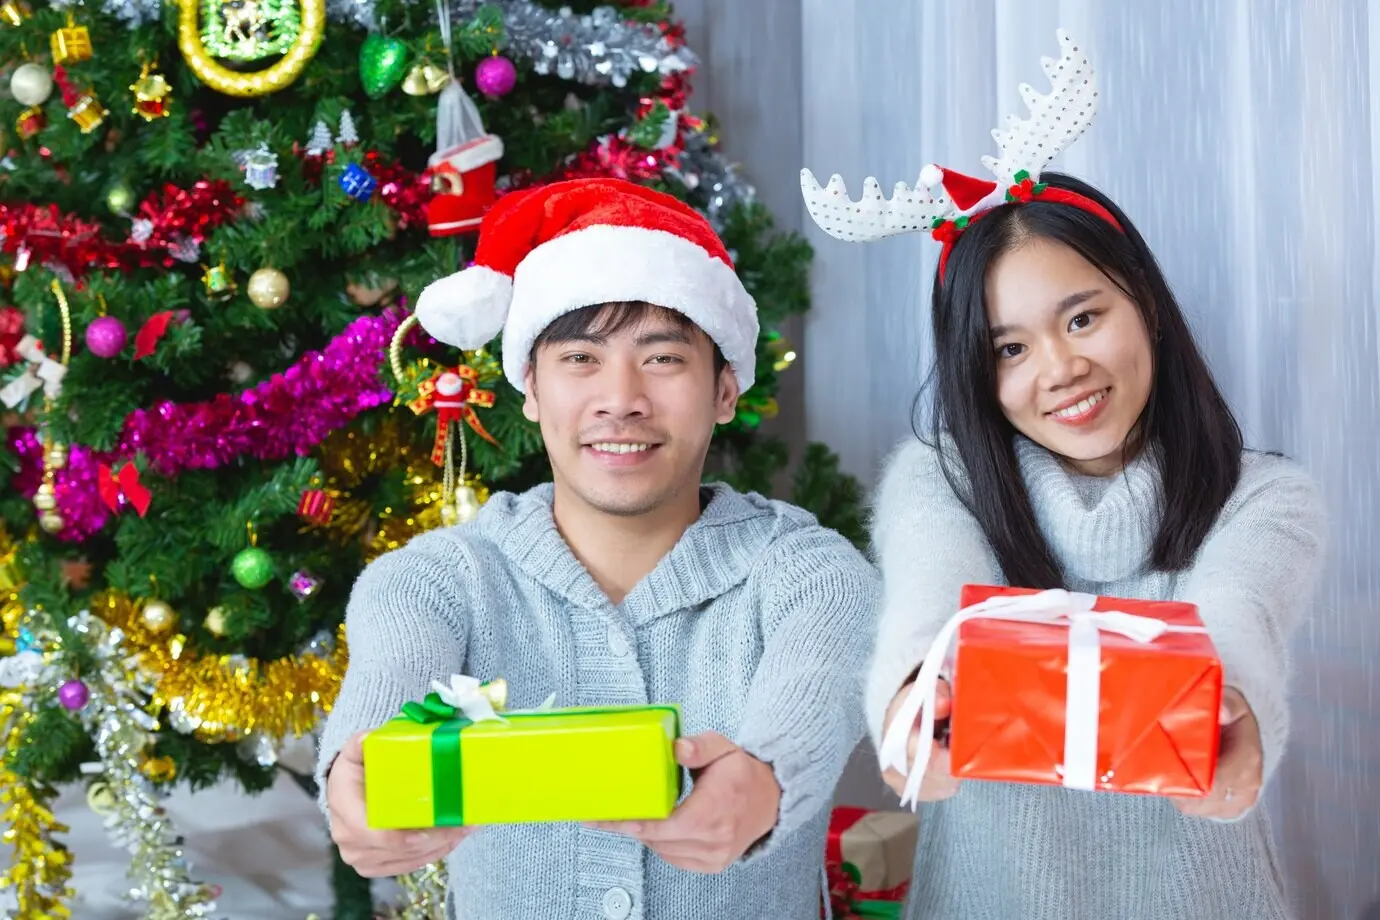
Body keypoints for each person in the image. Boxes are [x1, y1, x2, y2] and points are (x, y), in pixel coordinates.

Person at [801, 29, 1327, 920]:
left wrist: (1231, 715)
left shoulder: (1267, 498)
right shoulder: (940, 481)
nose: (1059, 369)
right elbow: (931, 607)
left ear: (1147, 307)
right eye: (1009, 347)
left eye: (1082, 319)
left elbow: (1235, 620)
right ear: (976, 371)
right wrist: (911, 699)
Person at [315, 177, 880, 920]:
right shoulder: (436, 580)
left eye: (663, 359)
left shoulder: (812, 574)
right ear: (530, 389)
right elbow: (389, 689)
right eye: (581, 359)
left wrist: (765, 783)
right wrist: (354, 777)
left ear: (725, 390)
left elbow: (813, 696)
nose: (621, 397)